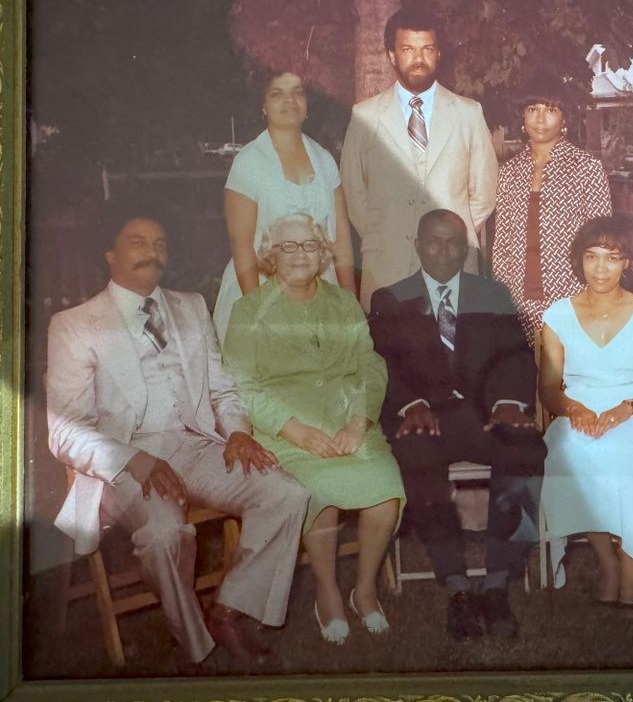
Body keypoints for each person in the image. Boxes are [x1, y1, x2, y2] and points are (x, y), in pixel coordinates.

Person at [45, 211, 309, 667]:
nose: (152, 251)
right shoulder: (75, 324)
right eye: (137, 241)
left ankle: (230, 609)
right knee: (166, 533)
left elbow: (222, 388)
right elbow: (65, 429)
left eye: (160, 243)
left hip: (192, 443)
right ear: (110, 254)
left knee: (287, 492)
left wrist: (238, 434)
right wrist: (135, 461)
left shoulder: (190, 307)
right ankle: (194, 643)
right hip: (121, 463)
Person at [222, 213, 404, 645]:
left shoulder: (342, 301)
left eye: (308, 245)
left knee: (384, 492)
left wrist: (359, 421)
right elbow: (243, 386)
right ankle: (327, 592)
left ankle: (364, 590)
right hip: (288, 434)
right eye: (288, 247)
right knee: (319, 494)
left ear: (323, 252)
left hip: (348, 423)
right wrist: (294, 430)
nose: (299, 254)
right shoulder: (250, 309)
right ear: (271, 255)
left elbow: (369, 364)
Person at [368, 209, 545, 640]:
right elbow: (381, 363)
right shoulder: (390, 298)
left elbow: (516, 356)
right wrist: (411, 404)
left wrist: (506, 402)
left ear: (466, 248)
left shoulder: (493, 294)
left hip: (484, 416)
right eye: (434, 241)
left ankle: (498, 582)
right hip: (425, 416)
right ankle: (458, 587)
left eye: (453, 243)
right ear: (417, 244)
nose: (444, 251)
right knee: (416, 453)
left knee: (524, 449)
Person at [538, 216, 633, 604]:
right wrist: (573, 408)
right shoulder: (558, 315)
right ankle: (606, 560)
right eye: (591, 257)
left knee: (627, 456)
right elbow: (548, 388)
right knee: (568, 452)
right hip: (580, 410)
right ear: (579, 260)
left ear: (628, 262)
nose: (600, 268)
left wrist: (628, 408)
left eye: (612, 258)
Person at [340, 7, 498, 310]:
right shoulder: (365, 116)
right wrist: (385, 232)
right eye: (408, 49)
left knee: (453, 353)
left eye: (427, 49)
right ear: (391, 55)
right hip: (387, 264)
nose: (418, 59)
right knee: (388, 353)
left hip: (453, 265)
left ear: (438, 54)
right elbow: (353, 192)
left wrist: (448, 239)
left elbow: (484, 193)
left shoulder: (468, 113)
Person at [212, 69, 355, 342]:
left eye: (297, 92)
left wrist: (349, 303)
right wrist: (260, 313)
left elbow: (342, 238)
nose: (289, 101)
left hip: (320, 294)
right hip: (260, 291)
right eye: (277, 93)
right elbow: (242, 246)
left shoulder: (324, 160)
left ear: (308, 104)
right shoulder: (249, 161)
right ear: (263, 106)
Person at [492, 81, 612, 344]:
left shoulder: (586, 169)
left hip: (571, 298)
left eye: (550, 109)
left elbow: (601, 243)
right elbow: (501, 244)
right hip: (519, 301)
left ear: (565, 118)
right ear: (522, 118)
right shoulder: (509, 172)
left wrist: (593, 299)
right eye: (532, 109)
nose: (540, 118)